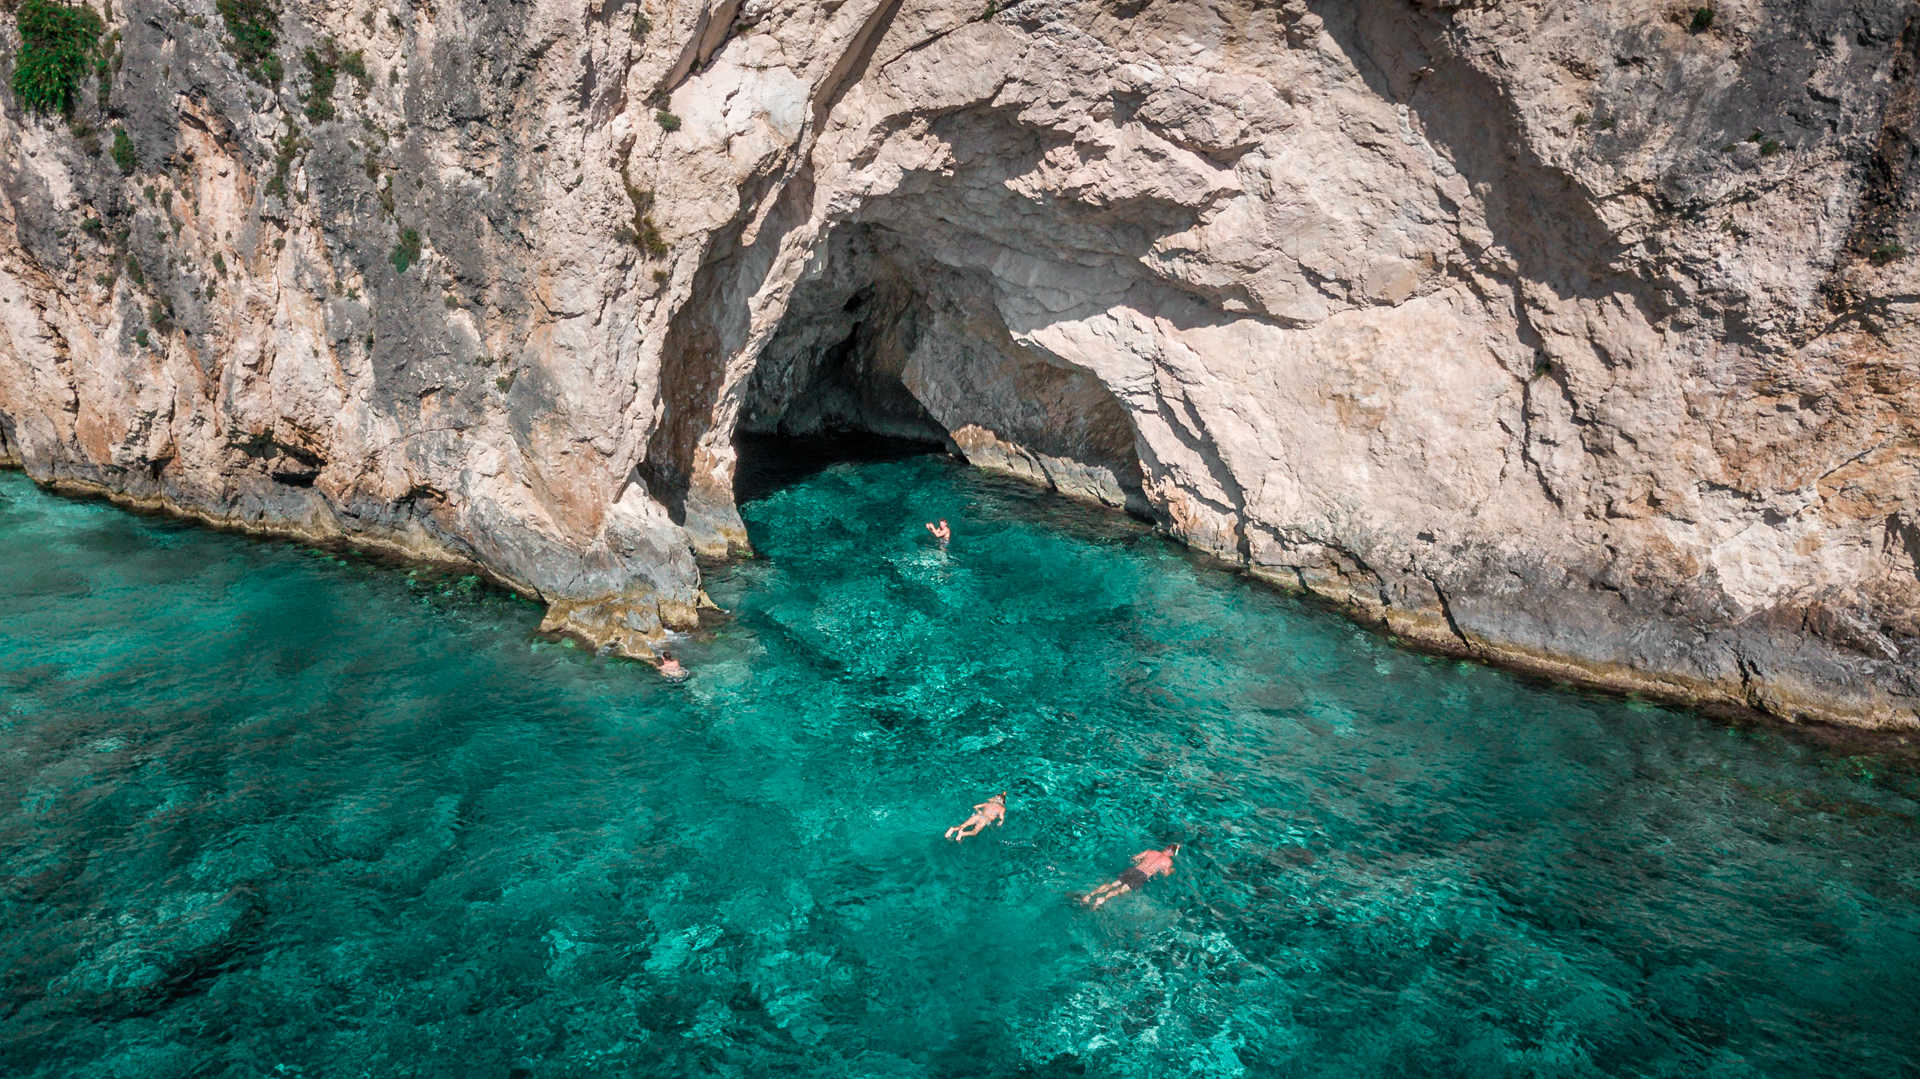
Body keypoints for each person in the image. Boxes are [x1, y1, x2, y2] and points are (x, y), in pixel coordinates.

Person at [1081, 843, 1180, 908]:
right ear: (1172, 853)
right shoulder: (1168, 862)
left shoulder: (1151, 851)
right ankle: (1102, 899)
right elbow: (1165, 874)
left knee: (1113, 884)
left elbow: (1135, 858)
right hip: (1143, 876)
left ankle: (1088, 896)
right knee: (1120, 890)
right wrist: (1171, 870)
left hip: (1133, 870)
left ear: (1166, 847)